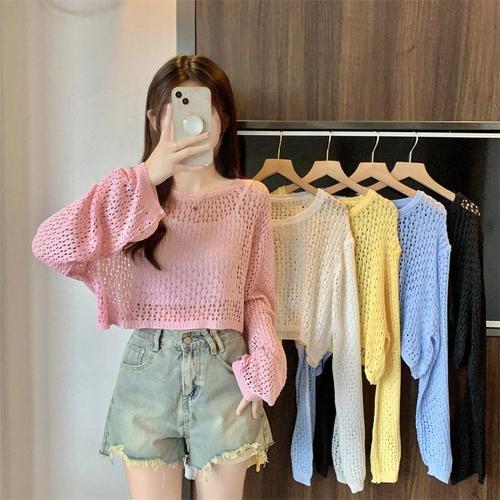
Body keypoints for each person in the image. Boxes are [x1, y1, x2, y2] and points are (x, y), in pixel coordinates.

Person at [31, 54, 287, 500]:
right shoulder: (130, 198)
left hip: (226, 373)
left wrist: (263, 365)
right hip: (148, 371)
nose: (192, 124)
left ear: (224, 120)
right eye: (177, 110)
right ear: (154, 119)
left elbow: (256, 295)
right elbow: (50, 243)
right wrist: (147, 175)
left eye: (204, 111)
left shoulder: (250, 200)